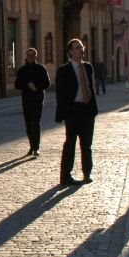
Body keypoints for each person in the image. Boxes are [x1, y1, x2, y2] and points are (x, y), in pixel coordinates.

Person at [55, 38, 98, 186]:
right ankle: (65, 176)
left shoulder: (88, 67)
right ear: (70, 52)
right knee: (70, 143)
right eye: (76, 47)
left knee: (86, 144)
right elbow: (60, 94)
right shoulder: (63, 70)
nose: (80, 49)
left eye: (81, 47)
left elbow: (91, 87)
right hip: (73, 110)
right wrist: (66, 111)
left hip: (87, 110)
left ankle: (87, 173)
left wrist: (93, 108)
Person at [14, 48, 51, 157]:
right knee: (28, 125)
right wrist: (27, 85)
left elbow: (47, 83)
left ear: (35, 56)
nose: (30, 57)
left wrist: (37, 87)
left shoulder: (41, 68)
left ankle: (36, 147)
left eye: (32, 55)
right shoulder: (22, 70)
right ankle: (31, 145)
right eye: (28, 55)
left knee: (36, 123)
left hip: (38, 99)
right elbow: (17, 84)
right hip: (26, 100)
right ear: (26, 56)